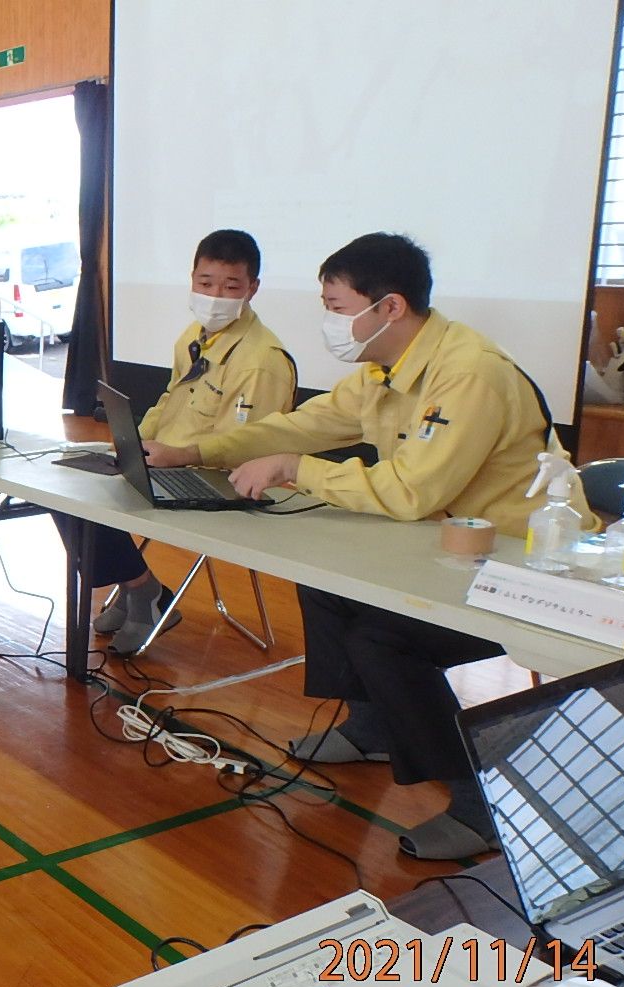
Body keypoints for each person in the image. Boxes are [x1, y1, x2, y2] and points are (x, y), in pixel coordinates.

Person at [145, 233, 585, 861]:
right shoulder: (385, 368)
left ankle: (477, 801)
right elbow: (305, 424)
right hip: (444, 547)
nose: (329, 321)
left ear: (390, 307)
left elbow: (410, 491)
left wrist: (296, 468)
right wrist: (193, 451)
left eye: (336, 307)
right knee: (324, 577)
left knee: (384, 637)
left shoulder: (469, 374)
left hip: (518, 566)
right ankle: (371, 727)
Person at [92, 229, 297, 654]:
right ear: (192, 280)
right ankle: (138, 587)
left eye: (231, 286)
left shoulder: (263, 361)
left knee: (92, 502)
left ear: (253, 288)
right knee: (75, 492)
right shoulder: (194, 335)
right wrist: (134, 444)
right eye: (206, 283)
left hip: (220, 483)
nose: (215, 295)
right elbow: (170, 398)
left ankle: (142, 591)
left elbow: (252, 448)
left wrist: (178, 456)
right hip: (169, 464)